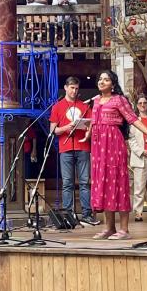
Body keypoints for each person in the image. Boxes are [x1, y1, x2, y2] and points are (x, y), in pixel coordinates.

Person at [84, 70, 147, 240]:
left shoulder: (119, 100)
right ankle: (109, 228)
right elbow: (93, 121)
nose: (101, 81)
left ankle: (124, 229)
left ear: (113, 84)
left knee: (117, 184)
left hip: (113, 145)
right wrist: (88, 135)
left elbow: (133, 119)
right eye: (100, 79)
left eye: (106, 80)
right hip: (98, 148)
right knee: (104, 184)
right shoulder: (96, 101)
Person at [49, 76, 99, 226]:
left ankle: (86, 214)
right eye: (72, 88)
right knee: (67, 183)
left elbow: (91, 125)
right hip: (65, 148)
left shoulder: (84, 107)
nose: (74, 91)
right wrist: (66, 127)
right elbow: (53, 131)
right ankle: (69, 214)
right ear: (65, 88)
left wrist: (86, 130)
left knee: (84, 182)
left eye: (76, 88)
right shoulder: (57, 106)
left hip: (82, 147)